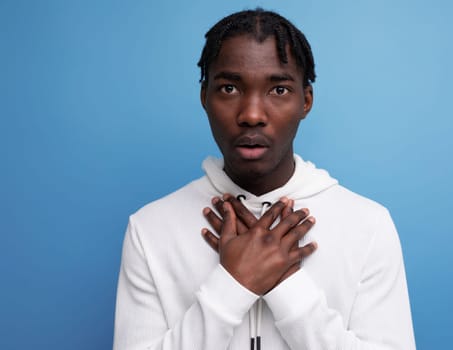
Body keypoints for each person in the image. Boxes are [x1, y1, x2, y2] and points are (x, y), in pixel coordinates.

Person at [113, 8, 416, 350]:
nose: (252, 114)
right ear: (204, 98)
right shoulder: (150, 229)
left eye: (279, 90)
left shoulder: (369, 225)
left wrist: (286, 284)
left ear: (307, 101)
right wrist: (232, 285)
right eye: (229, 88)